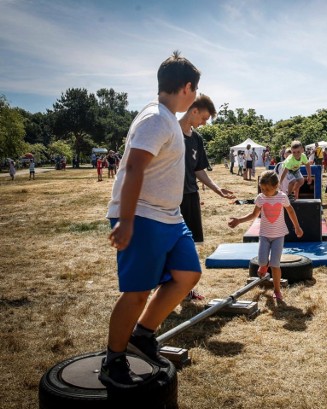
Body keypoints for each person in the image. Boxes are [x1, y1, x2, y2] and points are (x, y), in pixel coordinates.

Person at [101, 51, 202, 388]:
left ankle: (142, 335)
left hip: (169, 218)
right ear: (187, 87)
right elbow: (132, 167)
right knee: (137, 293)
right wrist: (126, 220)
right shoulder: (156, 118)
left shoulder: (168, 118)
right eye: (196, 90)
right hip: (143, 215)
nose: (196, 95)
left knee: (188, 275)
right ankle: (113, 358)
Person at [179, 95, 235, 301]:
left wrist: (217, 189)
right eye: (203, 118)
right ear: (193, 111)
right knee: (170, 244)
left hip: (191, 196)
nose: (204, 123)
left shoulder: (196, 139)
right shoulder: (170, 132)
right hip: (170, 199)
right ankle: (168, 289)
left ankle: (185, 290)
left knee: (189, 244)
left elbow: (199, 170)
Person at [228, 170, 303, 301]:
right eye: (262, 188)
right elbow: (253, 215)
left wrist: (297, 226)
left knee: (275, 264)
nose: (264, 191)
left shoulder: (282, 197)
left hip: (279, 235)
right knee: (262, 261)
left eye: (267, 189)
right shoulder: (260, 198)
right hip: (264, 235)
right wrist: (239, 220)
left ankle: (277, 290)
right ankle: (264, 265)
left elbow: (290, 211)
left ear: (276, 186)